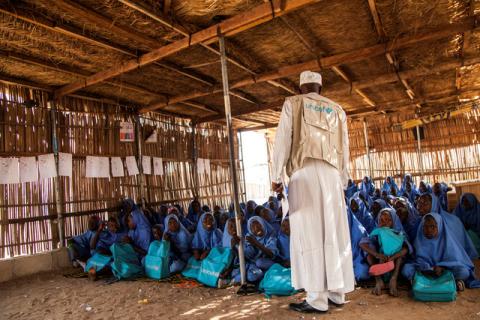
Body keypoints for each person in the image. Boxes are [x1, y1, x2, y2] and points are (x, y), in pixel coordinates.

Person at [272, 70, 354, 313]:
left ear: (301, 88)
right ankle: (337, 293)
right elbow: (345, 147)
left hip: (304, 174)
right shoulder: (338, 110)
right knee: (333, 232)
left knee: (310, 234)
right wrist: (343, 180)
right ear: (321, 88)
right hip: (331, 176)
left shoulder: (293, 103)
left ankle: (317, 299)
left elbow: (283, 141)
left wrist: (277, 176)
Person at [402, 213, 480, 290]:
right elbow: (415, 260)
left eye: (432, 226)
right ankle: (451, 283)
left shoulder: (448, 241)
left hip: (443, 272)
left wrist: (443, 267)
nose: (429, 230)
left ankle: (422, 282)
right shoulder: (419, 239)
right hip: (425, 271)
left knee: (463, 272)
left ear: (439, 226)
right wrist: (426, 267)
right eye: (425, 226)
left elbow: (455, 260)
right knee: (406, 270)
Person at [359, 208, 410, 297]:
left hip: (394, 261)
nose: (384, 223)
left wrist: (393, 256)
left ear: (394, 221)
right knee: (369, 255)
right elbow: (363, 244)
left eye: (388, 220)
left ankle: (393, 279)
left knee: (400, 257)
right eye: (381, 220)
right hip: (381, 260)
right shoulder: (378, 231)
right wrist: (377, 255)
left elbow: (406, 249)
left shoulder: (399, 233)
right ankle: (378, 280)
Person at [417, 193, 478, 260]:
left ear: (434, 205)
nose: (420, 206)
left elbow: (457, 252)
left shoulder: (452, 222)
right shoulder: (421, 223)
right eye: (419, 203)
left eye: (425, 203)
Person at [232, 216, 278, 283]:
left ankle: (265, 275)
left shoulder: (270, 236)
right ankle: (263, 275)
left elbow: (272, 255)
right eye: (252, 227)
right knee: (250, 275)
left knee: (260, 262)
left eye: (258, 224)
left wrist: (256, 243)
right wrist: (235, 246)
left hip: (268, 263)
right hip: (254, 265)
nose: (256, 228)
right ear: (250, 230)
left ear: (263, 224)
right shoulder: (250, 237)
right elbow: (248, 256)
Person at [347, 207, 370, 282]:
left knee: (361, 272)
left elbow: (367, 252)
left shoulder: (359, 231)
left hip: (357, 262)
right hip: (339, 263)